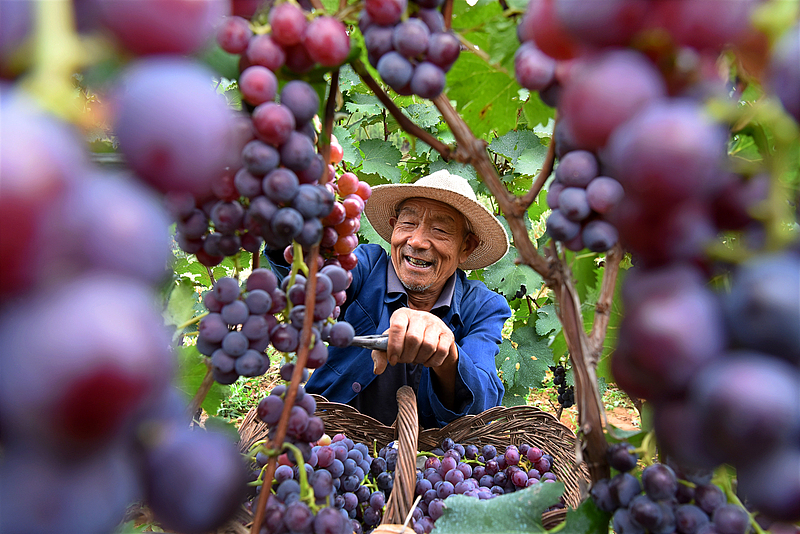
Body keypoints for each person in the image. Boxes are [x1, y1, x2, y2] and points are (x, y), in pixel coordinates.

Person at [269, 170, 512, 428]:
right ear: (394, 226)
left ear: (466, 247)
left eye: (440, 229)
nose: (416, 241)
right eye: (407, 224)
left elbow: (482, 403)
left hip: (422, 462)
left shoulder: (484, 307)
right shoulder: (366, 265)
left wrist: (447, 354)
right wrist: (289, 225)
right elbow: (312, 280)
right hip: (327, 438)